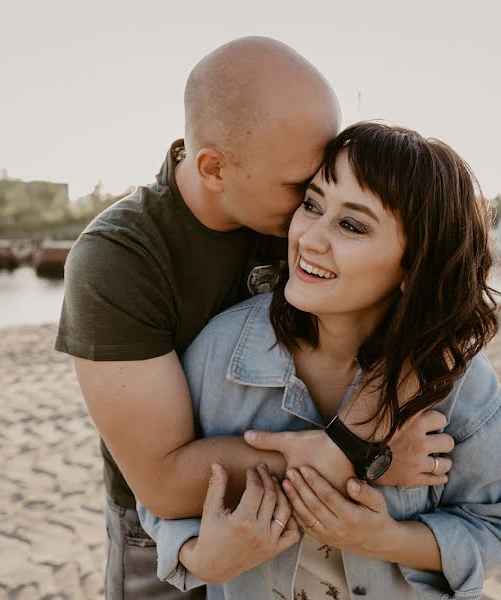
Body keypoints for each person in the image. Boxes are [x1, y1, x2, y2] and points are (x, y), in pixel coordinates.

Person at [54, 39, 455, 599]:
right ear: (214, 168)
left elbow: (425, 313)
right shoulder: (118, 260)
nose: (312, 211)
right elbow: (166, 484)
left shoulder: (306, 217)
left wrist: (346, 452)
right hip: (177, 532)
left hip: (318, 523)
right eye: (302, 189)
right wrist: (358, 455)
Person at [139, 122, 501, 599]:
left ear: (413, 268)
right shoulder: (219, 352)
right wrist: (198, 556)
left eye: (351, 225)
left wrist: (384, 539)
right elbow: (162, 502)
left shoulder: (455, 380)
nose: (310, 238)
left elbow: (499, 526)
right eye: (311, 204)